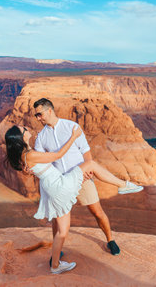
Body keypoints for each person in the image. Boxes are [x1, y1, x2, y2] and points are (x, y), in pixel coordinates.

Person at [5, 124, 143, 274]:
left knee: (62, 230)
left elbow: (36, 165)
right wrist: (73, 137)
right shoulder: (30, 155)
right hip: (59, 185)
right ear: (21, 137)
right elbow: (57, 156)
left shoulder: (27, 153)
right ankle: (123, 185)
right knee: (90, 165)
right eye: (23, 129)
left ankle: (56, 264)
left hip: (53, 186)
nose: (26, 128)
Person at [33, 98, 143, 259]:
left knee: (97, 212)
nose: (37, 118)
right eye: (36, 115)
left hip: (81, 178)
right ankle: (57, 251)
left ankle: (110, 239)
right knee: (57, 221)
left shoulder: (72, 127)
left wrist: (89, 171)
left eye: (39, 114)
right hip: (61, 183)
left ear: (50, 111)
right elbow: (42, 161)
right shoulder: (41, 137)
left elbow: (85, 151)